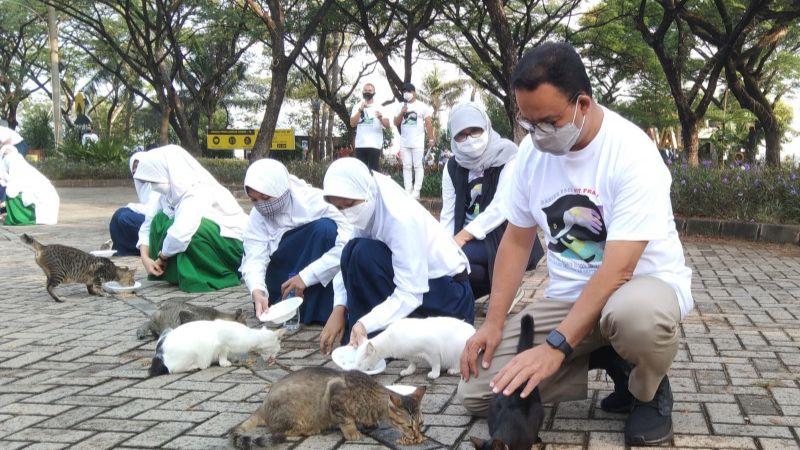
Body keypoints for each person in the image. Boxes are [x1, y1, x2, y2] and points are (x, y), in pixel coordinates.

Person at [457, 42, 693, 447]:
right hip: (569, 299)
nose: (537, 134)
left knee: (637, 319)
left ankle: (647, 392)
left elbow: (618, 270)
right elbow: (515, 242)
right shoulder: (530, 156)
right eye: (528, 123)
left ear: (582, 103)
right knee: (479, 392)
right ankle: (608, 357)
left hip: (635, 292)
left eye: (548, 122)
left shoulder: (632, 153)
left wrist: (555, 347)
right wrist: (493, 323)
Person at [319, 158, 474, 353]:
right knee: (352, 251)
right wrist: (339, 307)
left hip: (450, 299)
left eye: (349, 204)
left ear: (365, 191)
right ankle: (365, 340)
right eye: (340, 208)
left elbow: (410, 293)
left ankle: (373, 340)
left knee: (363, 254)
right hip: (425, 286)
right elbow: (347, 258)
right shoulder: (368, 196)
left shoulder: (400, 216)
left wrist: (366, 323)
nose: (347, 212)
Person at [441, 102, 544, 300]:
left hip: (501, 234)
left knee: (459, 258)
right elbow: (448, 212)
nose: (469, 139)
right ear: (453, 137)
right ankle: (502, 288)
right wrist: (444, 245)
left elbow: (501, 207)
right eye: (461, 134)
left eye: (475, 130)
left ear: (486, 126)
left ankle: (506, 286)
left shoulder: (508, 155)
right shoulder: (452, 166)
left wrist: (461, 238)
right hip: (466, 237)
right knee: (447, 262)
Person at [240, 159, 353, 325]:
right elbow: (254, 256)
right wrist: (257, 290)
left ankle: (316, 308)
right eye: (254, 200)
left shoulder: (315, 201)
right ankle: (283, 303)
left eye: (266, 197)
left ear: (281, 190)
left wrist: (306, 276)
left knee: (325, 229)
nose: (262, 205)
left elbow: (348, 242)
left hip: (316, 269)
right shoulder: (257, 217)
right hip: (281, 275)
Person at [134, 144, 248, 293]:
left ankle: (212, 274)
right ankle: (175, 273)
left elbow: (181, 233)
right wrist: (145, 258)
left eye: (154, 180)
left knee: (189, 230)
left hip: (234, 246)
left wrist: (162, 257)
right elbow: (149, 223)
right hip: (209, 238)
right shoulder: (168, 194)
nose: (152, 186)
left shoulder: (198, 188)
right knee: (160, 220)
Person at [108, 153, 161, 256]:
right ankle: (122, 249)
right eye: (134, 167)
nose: (135, 170)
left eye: (138, 166)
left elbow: (154, 210)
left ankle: (146, 248)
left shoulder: (157, 183)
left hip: (160, 222)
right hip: (150, 219)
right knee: (118, 216)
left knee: (123, 217)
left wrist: (132, 206)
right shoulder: (144, 187)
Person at [0, 144, 59, 225]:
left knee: (10, 194)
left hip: (44, 205)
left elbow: (11, 193)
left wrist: (3, 205)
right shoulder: (25, 167)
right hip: (50, 207)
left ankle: (19, 218)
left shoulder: (16, 168)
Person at [393, 82, 434, 199]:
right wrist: (402, 112)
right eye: (404, 92)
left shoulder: (422, 106)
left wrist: (431, 138)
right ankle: (408, 190)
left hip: (418, 142)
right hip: (404, 142)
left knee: (418, 166)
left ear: (414, 92)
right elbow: (395, 122)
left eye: (409, 91)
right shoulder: (400, 106)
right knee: (406, 166)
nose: (406, 93)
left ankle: (416, 192)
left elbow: (428, 123)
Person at [350, 83, 389, 171]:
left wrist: (381, 118)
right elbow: (352, 123)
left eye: (370, 91)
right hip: (360, 145)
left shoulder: (380, 107)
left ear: (374, 93)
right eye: (365, 90)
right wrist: (360, 110)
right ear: (362, 92)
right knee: (361, 172)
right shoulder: (357, 106)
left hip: (374, 145)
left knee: (373, 172)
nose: (367, 92)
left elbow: (387, 125)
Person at [0, 125, 28, 203]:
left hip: (18, 145)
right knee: (5, 174)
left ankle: (6, 202)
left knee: (12, 176)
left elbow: (8, 140)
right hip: (11, 146)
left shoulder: (1, 131)